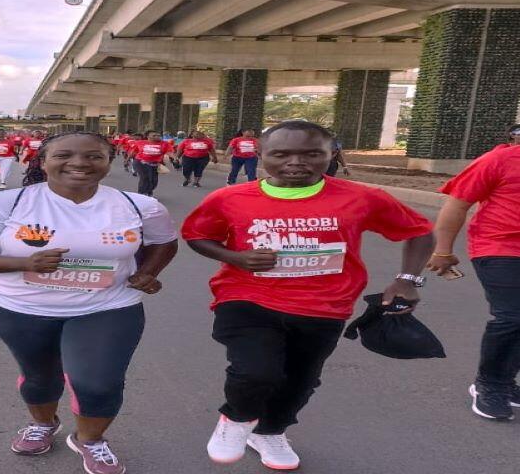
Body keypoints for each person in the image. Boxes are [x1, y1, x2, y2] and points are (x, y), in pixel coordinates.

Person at [181, 121, 434, 470]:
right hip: (247, 298)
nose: (297, 162)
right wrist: (236, 258)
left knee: (301, 378)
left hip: (326, 306)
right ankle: (237, 420)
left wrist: (407, 280)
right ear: (260, 155)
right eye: (281, 153)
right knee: (256, 371)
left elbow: (419, 231)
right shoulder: (229, 199)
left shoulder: (360, 197)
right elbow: (197, 235)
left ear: (331, 155)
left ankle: (270, 431)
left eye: (312, 153)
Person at [0, 131, 178, 474]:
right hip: (19, 308)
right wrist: (25, 263)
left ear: (108, 161)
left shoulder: (139, 205)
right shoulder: (5, 203)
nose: (79, 163)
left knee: (99, 382)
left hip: (107, 306)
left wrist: (148, 272)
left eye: (93, 156)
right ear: (43, 162)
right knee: (40, 377)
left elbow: (164, 243)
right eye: (64, 156)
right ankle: (43, 424)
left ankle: (90, 439)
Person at [427, 144, 520, 421]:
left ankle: (505, 381)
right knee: (512, 316)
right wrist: (442, 250)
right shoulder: (500, 159)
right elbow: (458, 203)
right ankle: (488, 384)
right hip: (499, 246)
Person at [128, 130, 174, 197]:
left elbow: (169, 152)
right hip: (140, 162)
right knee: (144, 177)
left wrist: (175, 158)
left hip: (154, 164)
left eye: (158, 135)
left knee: (154, 181)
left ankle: (149, 191)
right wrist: (127, 160)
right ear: (148, 136)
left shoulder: (164, 144)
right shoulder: (140, 142)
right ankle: (141, 194)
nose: (157, 137)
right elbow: (133, 152)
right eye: (154, 136)